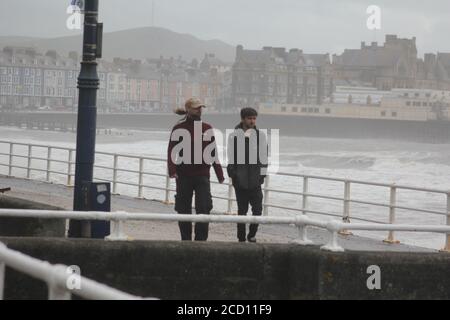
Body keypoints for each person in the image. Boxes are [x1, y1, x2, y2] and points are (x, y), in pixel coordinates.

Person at [167, 98, 224, 241]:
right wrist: (172, 170)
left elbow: (213, 152)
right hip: (183, 175)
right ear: (188, 109)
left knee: (204, 209)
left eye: (201, 107)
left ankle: (201, 242)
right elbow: (172, 151)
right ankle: (186, 240)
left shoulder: (207, 128)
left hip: (202, 175)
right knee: (183, 209)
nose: (199, 110)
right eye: (196, 107)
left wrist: (220, 173)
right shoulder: (178, 128)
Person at [227, 107, 268, 243]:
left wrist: (262, 176)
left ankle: (251, 235)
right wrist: (233, 175)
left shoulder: (260, 136)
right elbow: (231, 158)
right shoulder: (234, 136)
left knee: (258, 210)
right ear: (243, 119)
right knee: (242, 212)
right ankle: (240, 238)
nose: (252, 121)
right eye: (250, 118)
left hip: (256, 181)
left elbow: (264, 158)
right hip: (240, 180)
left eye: (254, 118)